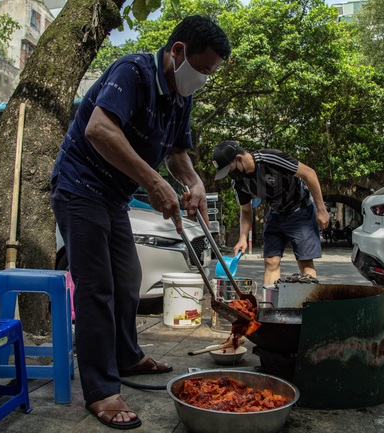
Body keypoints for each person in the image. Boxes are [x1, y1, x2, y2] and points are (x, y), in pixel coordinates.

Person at [50, 16, 230, 430]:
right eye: (202, 69)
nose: (203, 79)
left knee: (128, 278)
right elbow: (99, 129)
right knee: (97, 287)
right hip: (80, 186)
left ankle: (127, 357)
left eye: (210, 74)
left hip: (112, 198)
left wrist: (194, 181)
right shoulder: (132, 72)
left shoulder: (181, 97)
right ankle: (100, 391)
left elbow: (176, 153)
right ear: (178, 51)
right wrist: (152, 182)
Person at [212, 140, 329, 284]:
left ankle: (308, 302)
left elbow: (309, 174)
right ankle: (271, 304)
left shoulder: (271, 159)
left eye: (229, 170)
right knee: (270, 261)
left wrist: (321, 209)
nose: (230, 175)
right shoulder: (239, 182)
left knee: (304, 262)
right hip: (276, 213)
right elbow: (246, 210)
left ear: (238, 158)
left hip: (300, 210)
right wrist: (242, 238)